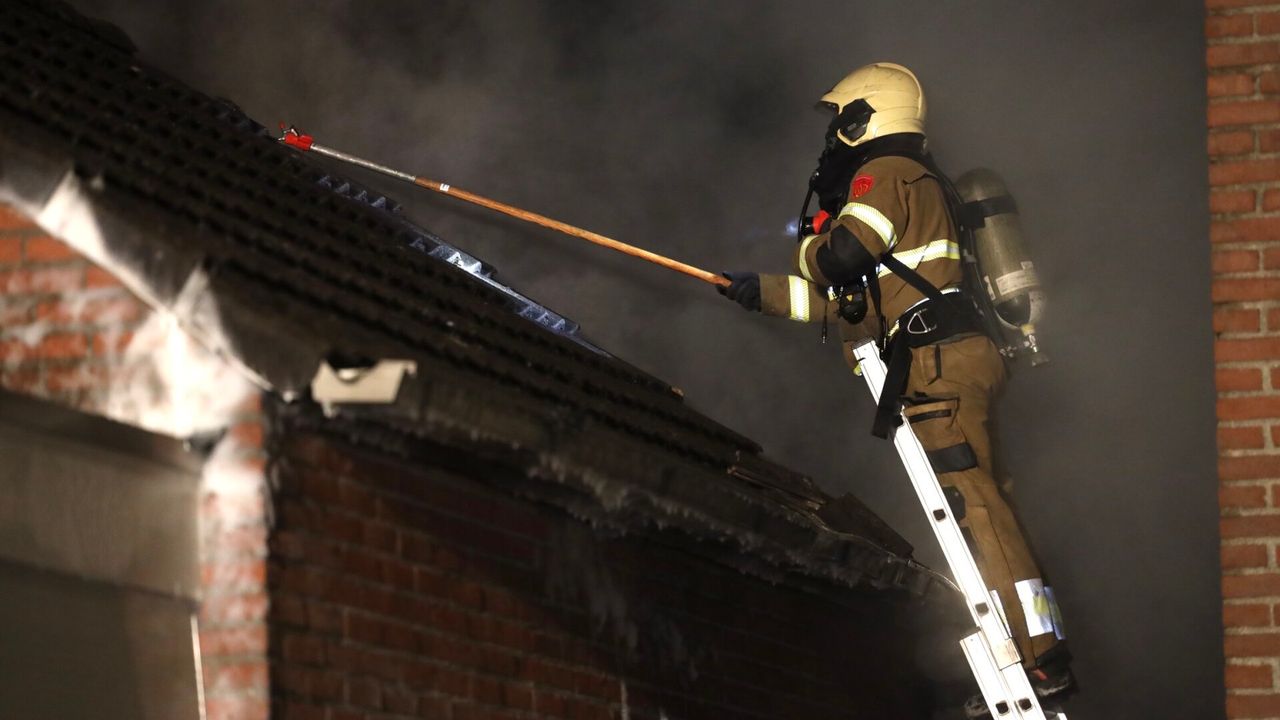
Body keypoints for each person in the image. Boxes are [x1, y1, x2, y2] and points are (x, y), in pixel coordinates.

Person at [717, 62, 1073, 712]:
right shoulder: (923, 188)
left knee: (973, 507)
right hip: (955, 352)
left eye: (839, 120)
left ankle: (1036, 660)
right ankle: (1038, 646)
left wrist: (807, 244)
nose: (832, 137)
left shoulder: (886, 176)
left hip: (936, 362)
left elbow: (841, 257)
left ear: (864, 118)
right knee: (995, 508)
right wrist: (760, 293)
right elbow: (861, 305)